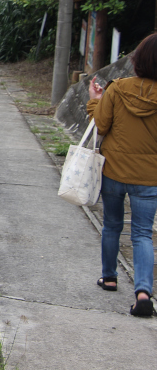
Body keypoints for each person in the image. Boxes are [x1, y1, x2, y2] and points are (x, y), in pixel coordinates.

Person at [87, 33, 157, 318]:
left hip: (114, 170)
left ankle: (109, 276)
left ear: (137, 59)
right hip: (149, 177)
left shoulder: (117, 89)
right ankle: (143, 292)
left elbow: (101, 126)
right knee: (142, 234)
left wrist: (95, 101)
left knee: (112, 225)